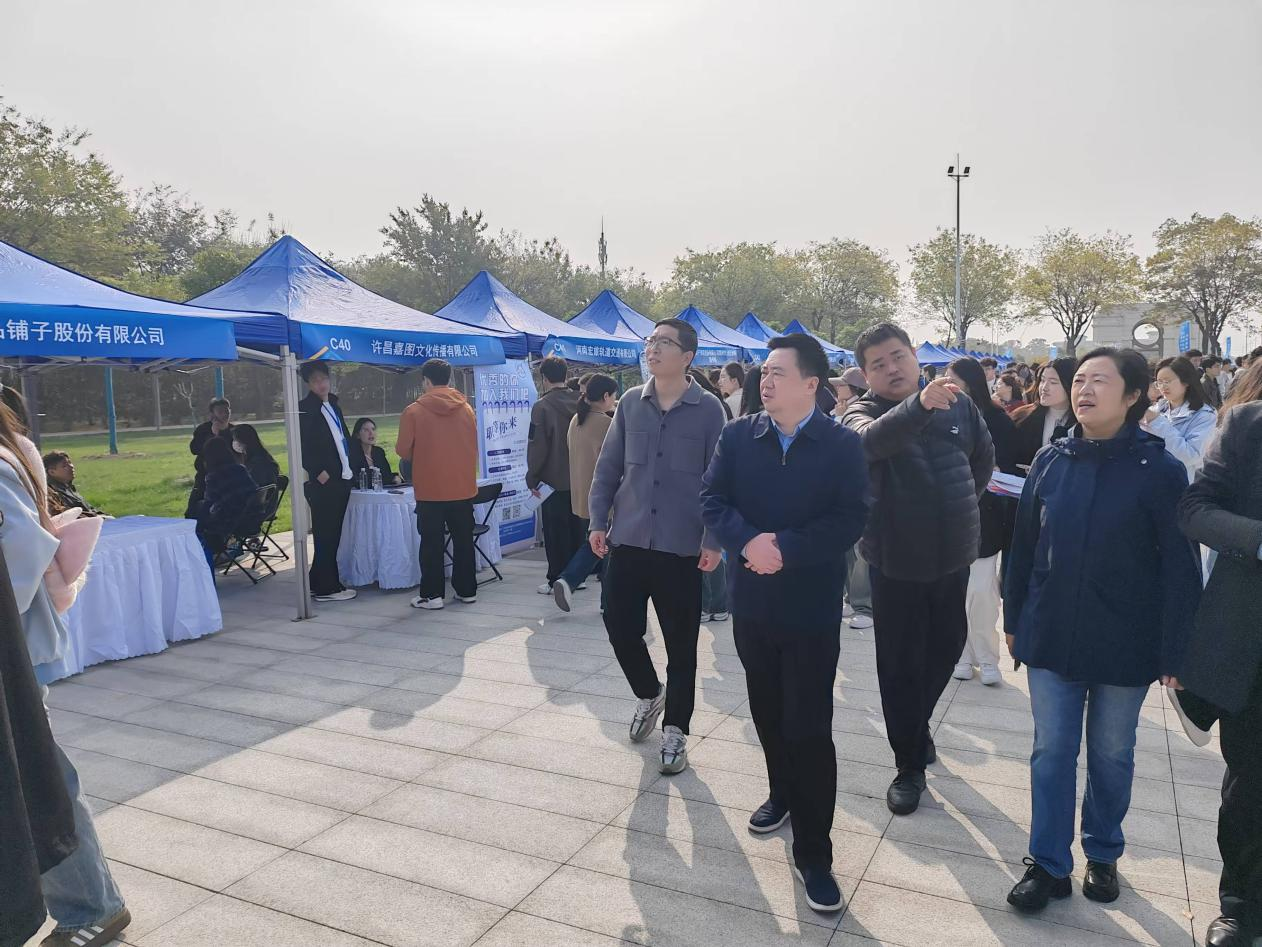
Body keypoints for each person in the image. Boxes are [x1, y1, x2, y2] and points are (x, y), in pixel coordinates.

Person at [1003, 347, 1201, 913]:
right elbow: (1024, 545)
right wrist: (1014, 618)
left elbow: (1180, 567)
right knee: (1051, 751)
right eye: (1080, 380)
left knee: (1113, 753)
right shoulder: (1051, 460)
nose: (1084, 390)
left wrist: (1176, 648)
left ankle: (1103, 851)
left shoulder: (1160, 471)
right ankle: (1048, 864)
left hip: (1125, 640)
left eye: (1100, 381)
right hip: (1052, 631)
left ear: (1134, 395)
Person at [701, 333, 869, 914]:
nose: (765, 380)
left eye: (778, 372)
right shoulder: (738, 436)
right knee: (767, 712)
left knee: (810, 728)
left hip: (810, 608)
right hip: (752, 604)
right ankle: (781, 793)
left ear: (811, 384)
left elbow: (850, 518)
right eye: (764, 371)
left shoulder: (841, 444)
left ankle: (815, 855)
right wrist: (748, 541)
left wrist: (786, 549)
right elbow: (712, 500)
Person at [843, 323, 994, 816]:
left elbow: (982, 461)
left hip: (952, 554)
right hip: (896, 561)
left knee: (948, 647)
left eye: (897, 356)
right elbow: (864, 446)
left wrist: (957, 507)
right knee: (900, 666)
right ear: (866, 375)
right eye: (878, 364)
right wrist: (919, 406)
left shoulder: (960, 404)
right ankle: (908, 765)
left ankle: (915, 725)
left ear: (913, 355)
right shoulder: (861, 412)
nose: (891, 369)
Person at [0, 403, 132, 947]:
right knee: (39, 775)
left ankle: (92, 907)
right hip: (18, 641)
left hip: (15, 649)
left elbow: (22, 549)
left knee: (42, 778)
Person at [588, 318, 725, 775]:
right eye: (651, 341)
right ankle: (649, 693)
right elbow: (608, 467)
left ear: (687, 357)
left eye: (664, 342)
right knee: (618, 624)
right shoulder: (631, 402)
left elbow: (720, 480)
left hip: (681, 548)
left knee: (681, 646)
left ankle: (676, 729)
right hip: (628, 539)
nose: (653, 348)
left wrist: (713, 539)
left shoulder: (709, 410)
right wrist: (597, 520)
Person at [1176, 394, 1262, 947]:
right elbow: (1194, 509)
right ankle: (1241, 906)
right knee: (1251, 783)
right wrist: (1257, 539)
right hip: (1253, 642)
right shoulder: (1249, 424)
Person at [946, 357, 1019, 686]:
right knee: (956, 594)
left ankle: (988, 658)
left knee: (982, 593)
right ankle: (962, 655)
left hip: (986, 519)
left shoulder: (997, 420)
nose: (946, 383)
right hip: (948, 518)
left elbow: (1008, 468)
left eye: (953, 378)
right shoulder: (940, 414)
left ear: (969, 382)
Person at [396, 358, 479, 609]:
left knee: (431, 543)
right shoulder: (467, 409)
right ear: (449, 379)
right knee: (464, 541)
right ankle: (467, 590)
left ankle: (432, 595)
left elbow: (403, 450)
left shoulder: (413, 411)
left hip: (430, 488)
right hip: (462, 486)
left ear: (426, 381)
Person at [552, 374, 618, 614]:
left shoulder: (576, 420)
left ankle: (570, 581)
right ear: (605, 396)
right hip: (606, 497)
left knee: (596, 543)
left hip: (582, 495)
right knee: (607, 548)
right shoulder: (606, 424)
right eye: (614, 396)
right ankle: (578, 584)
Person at [296, 362, 356, 602]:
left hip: (342, 476)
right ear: (308, 384)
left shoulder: (333, 405)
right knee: (326, 535)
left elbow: (343, 438)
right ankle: (327, 588)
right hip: (324, 482)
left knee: (332, 534)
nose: (321, 384)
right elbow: (301, 445)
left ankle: (317, 580)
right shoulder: (305, 409)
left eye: (323, 379)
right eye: (315, 380)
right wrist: (318, 471)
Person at [527, 355, 584, 594]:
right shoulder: (582, 401)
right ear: (566, 374)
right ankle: (577, 576)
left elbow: (537, 446)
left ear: (544, 378)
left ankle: (556, 579)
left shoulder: (542, 406)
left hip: (553, 480)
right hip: (581, 478)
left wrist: (532, 476)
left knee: (555, 532)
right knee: (578, 529)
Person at [829, 366, 875, 630]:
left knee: (861, 552)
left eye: (842, 384)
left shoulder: (861, 412)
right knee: (847, 549)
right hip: (841, 492)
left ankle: (863, 605)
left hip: (861, 492)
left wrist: (839, 417)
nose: (837, 388)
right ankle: (850, 597)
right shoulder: (839, 411)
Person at [690, 370, 732, 623]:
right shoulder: (717, 404)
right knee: (706, 549)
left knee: (707, 549)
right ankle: (716, 603)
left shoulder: (711, 408)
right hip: (703, 488)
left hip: (706, 488)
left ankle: (711, 604)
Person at [1141, 355, 1217, 481]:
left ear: (1186, 381)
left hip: (1183, 482)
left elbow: (1191, 455)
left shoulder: (1204, 415)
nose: (1163, 387)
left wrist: (1156, 422)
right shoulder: (1157, 409)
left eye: (1167, 381)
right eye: (1159, 382)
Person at [195, 437, 258, 565]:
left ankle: (206, 553)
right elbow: (253, 490)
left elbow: (209, 502)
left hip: (229, 520)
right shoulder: (241, 469)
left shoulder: (214, 476)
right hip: (250, 517)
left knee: (198, 515)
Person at [1011, 358, 1077, 469]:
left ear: (1071, 385)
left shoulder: (1083, 425)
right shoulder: (1022, 417)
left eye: (1053, 382)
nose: (1044, 387)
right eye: (1042, 380)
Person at [185, 397, 234, 518]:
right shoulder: (203, 429)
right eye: (220, 411)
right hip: (205, 474)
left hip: (229, 476)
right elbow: (195, 449)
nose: (225, 414)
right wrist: (213, 434)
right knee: (193, 509)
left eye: (227, 410)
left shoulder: (234, 430)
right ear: (212, 414)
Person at [42, 451, 105, 517]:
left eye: (70, 462)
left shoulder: (68, 487)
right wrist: (98, 517)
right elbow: (70, 515)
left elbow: (90, 509)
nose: (71, 466)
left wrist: (103, 516)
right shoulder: (53, 494)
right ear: (52, 472)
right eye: (64, 466)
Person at [348, 418, 399, 486]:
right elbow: (357, 480)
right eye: (366, 430)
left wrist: (395, 478)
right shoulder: (353, 455)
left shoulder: (379, 452)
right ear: (357, 435)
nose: (371, 433)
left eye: (373, 429)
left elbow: (386, 475)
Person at [230, 423, 280, 489]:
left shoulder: (256, 464)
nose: (234, 442)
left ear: (243, 440)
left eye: (235, 439)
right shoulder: (265, 457)